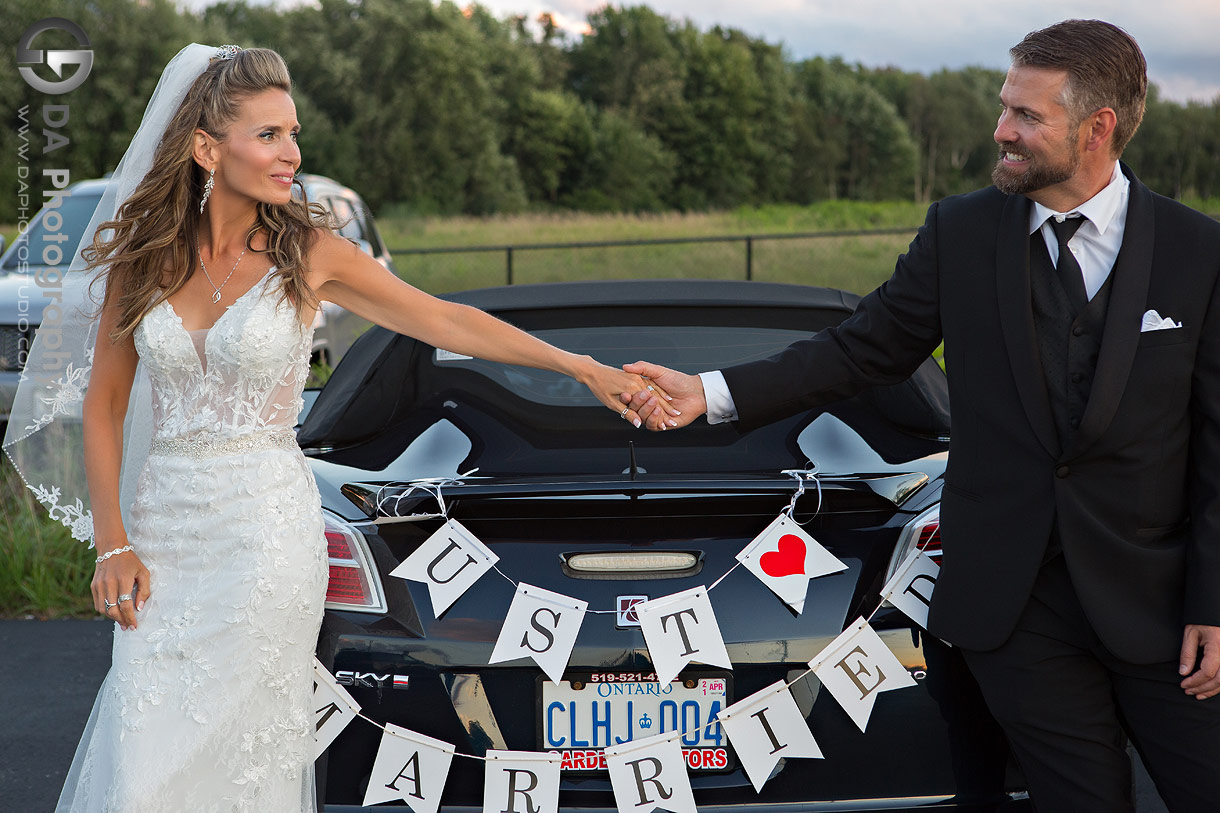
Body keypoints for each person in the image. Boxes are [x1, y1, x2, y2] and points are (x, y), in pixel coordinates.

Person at [4, 43, 673, 811]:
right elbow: (106, 405)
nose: (292, 154)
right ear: (205, 149)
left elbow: (445, 320)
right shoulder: (144, 257)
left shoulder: (311, 253)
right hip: (162, 537)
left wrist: (581, 365)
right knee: (142, 750)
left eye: (294, 134)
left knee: (234, 756)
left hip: (264, 539)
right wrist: (113, 541)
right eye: (269, 135)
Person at [623, 19, 1220, 812]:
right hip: (1013, 609)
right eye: (1005, 106)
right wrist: (712, 391)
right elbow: (858, 351)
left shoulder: (1198, 252)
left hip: (1166, 609)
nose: (1000, 129)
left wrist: (1215, 602)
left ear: (1096, 128)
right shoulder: (961, 232)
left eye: (1026, 116)